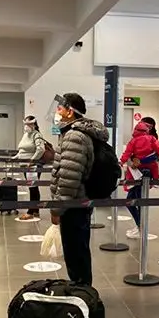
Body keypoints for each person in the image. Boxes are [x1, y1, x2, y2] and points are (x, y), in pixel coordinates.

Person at [49, 92, 109, 286]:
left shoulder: (74, 136)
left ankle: (82, 290)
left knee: (75, 250)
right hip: (78, 202)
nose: (57, 112)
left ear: (70, 111)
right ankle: (82, 287)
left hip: (74, 203)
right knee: (78, 248)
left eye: (60, 108)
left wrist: (57, 209)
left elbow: (69, 178)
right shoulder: (75, 133)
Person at [120, 121, 159, 239]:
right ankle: (140, 225)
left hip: (137, 172)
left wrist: (122, 161)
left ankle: (141, 226)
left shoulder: (133, 141)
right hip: (149, 171)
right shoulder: (152, 139)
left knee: (132, 200)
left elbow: (127, 153)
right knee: (140, 200)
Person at [13, 115, 49, 220]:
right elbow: (22, 149)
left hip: (33, 166)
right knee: (32, 187)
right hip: (24, 165)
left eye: (29, 124)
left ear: (34, 124)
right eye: (25, 124)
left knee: (33, 188)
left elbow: (41, 149)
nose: (26, 126)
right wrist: (16, 157)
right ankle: (35, 210)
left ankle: (31, 211)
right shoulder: (26, 135)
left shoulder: (37, 135)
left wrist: (32, 160)